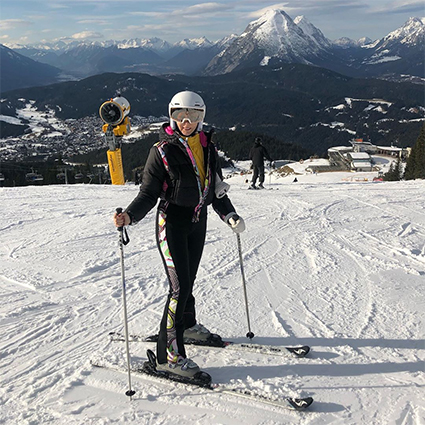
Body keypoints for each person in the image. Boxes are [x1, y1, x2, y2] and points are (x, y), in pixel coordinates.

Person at [113, 91, 245, 378]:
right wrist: (130, 216)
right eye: (179, 117)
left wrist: (229, 213)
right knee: (179, 287)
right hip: (171, 222)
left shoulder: (208, 147)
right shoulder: (161, 150)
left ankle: (186, 326)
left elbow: (215, 187)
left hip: (197, 221)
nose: (186, 122)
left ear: (202, 117)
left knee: (189, 281)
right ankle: (168, 356)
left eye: (193, 116)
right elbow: (148, 192)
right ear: (171, 117)